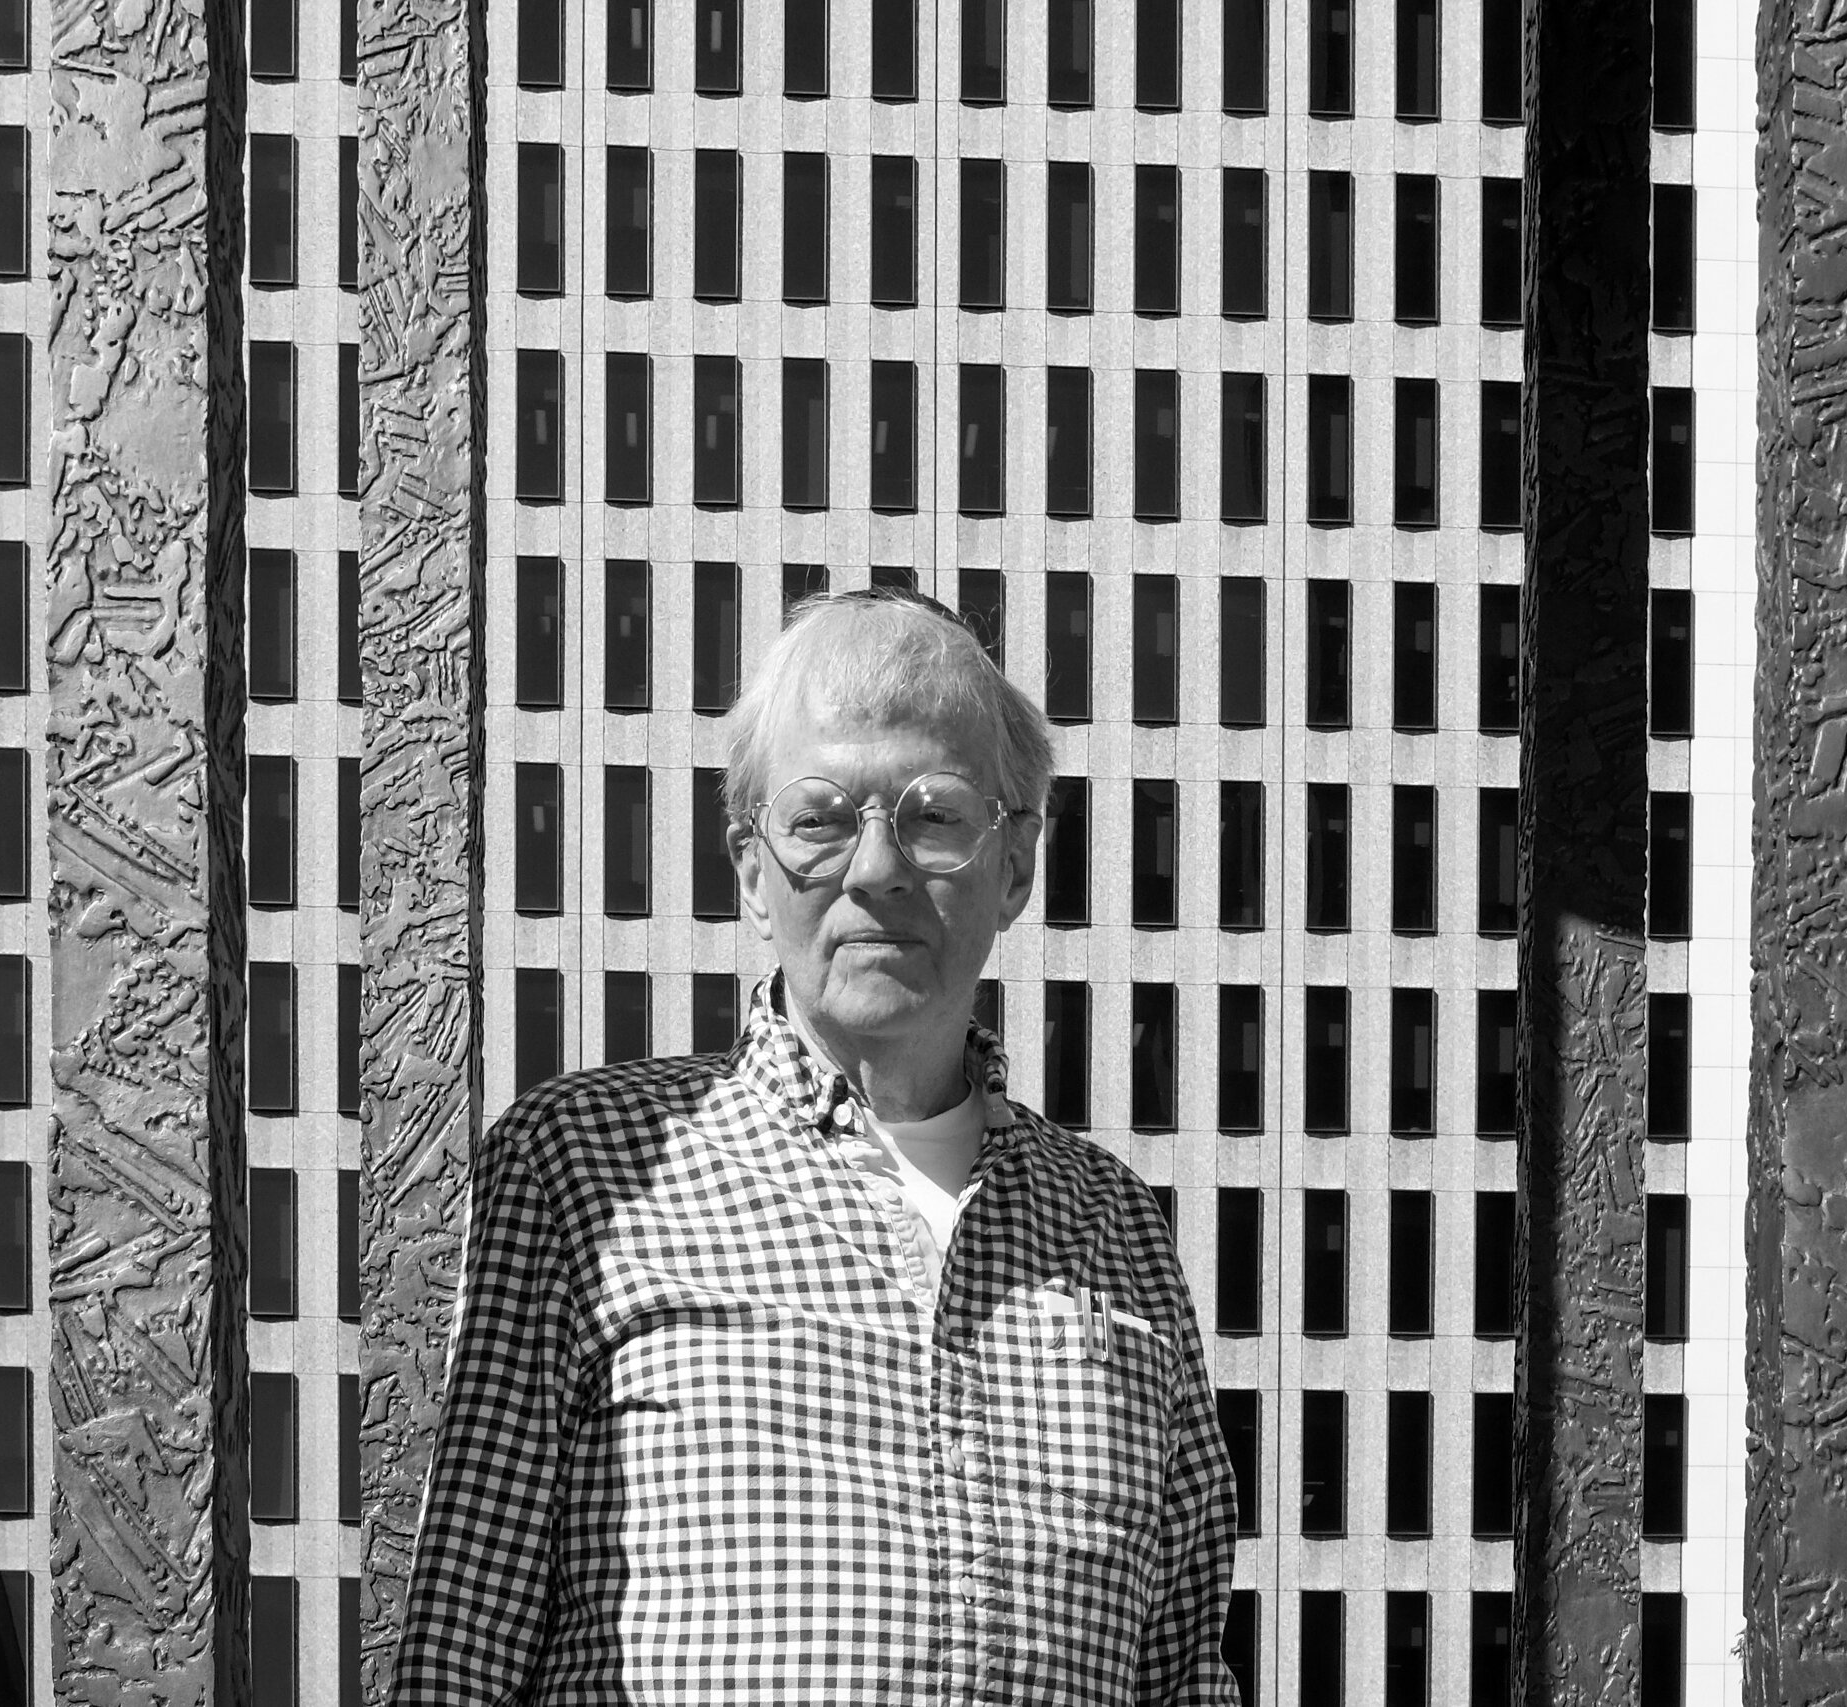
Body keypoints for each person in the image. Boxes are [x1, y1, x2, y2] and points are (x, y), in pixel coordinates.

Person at [394, 589, 1239, 1704]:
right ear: (752, 868)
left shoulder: (1118, 1228)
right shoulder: (584, 1170)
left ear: (1017, 862)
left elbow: (1184, 1675)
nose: (877, 867)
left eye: (934, 815)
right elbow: (462, 1653)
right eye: (822, 818)